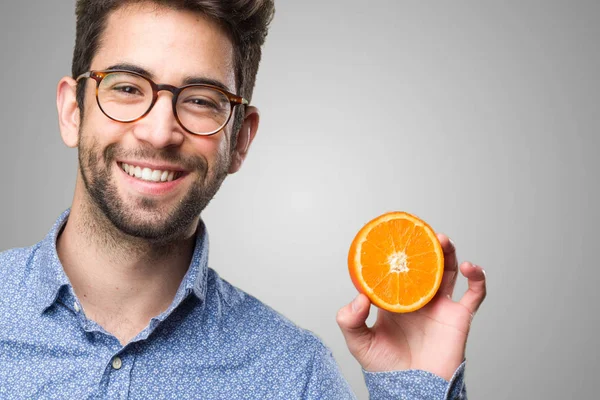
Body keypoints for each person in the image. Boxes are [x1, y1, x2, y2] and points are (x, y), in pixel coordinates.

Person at [0, 0, 486, 398]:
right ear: (72, 110)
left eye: (200, 99)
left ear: (241, 141)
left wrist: (416, 388)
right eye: (127, 88)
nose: (160, 131)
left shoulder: (294, 375)